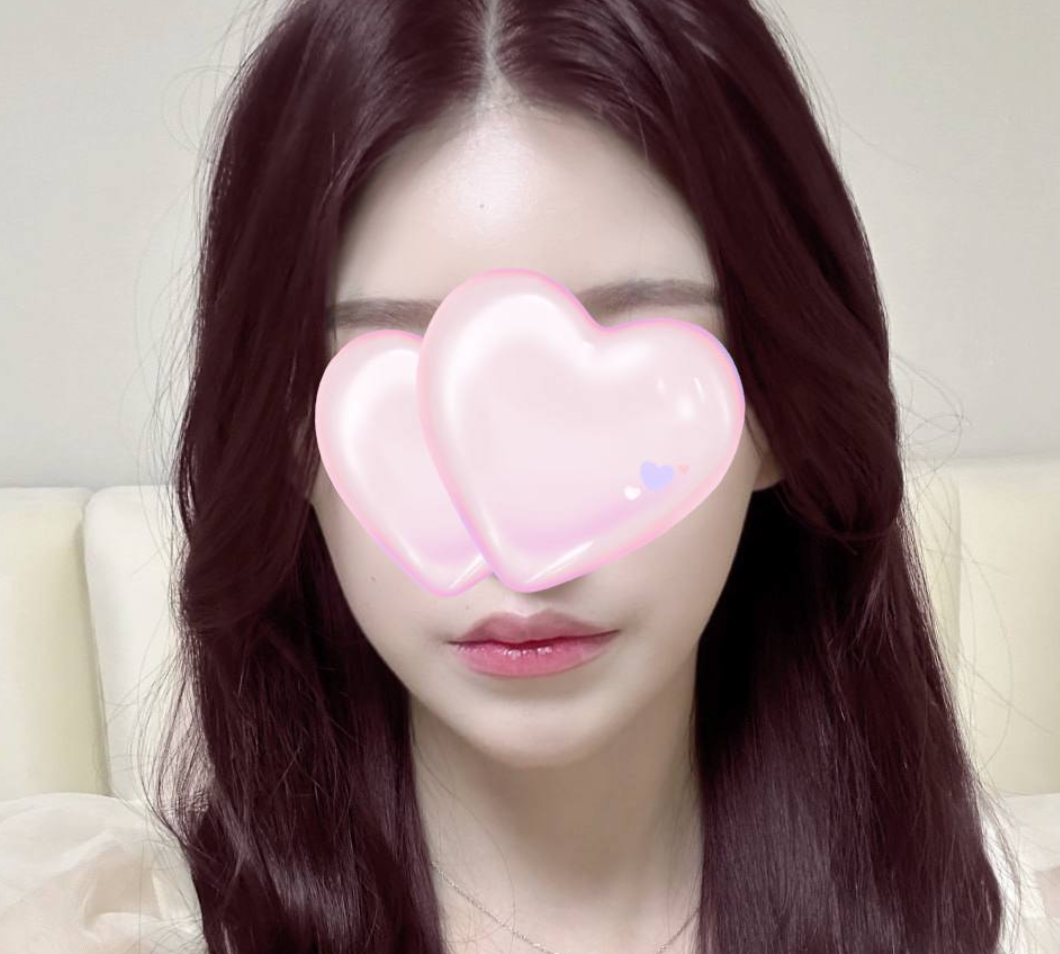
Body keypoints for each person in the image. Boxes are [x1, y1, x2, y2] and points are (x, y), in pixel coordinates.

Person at [0, 0, 1037, 952]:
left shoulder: (1004, 921)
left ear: (780, 412)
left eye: (627, 370)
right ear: (285, 439)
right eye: (403, 383)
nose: (522, 544)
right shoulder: (97, 926)